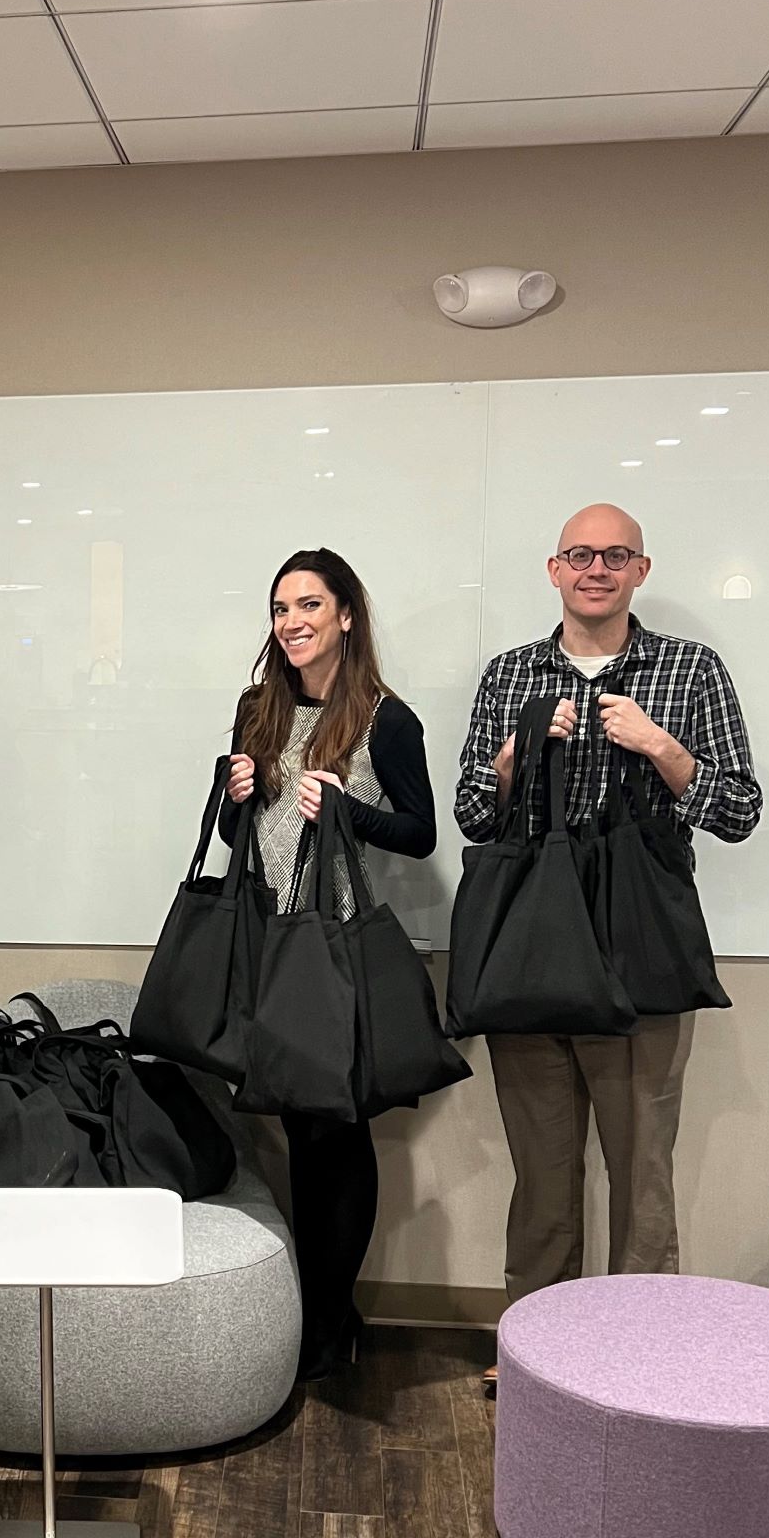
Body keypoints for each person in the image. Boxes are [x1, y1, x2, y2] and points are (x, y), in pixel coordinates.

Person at [456, 504, 761, 1380]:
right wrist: (514, 757)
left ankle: (638, 1360)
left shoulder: (688, 668)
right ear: (553, 570)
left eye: (614, 555)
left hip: (640, 954)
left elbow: (738, 812)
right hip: (531, 950)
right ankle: (535, 1357)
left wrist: (662, 748)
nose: (596, 568)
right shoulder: (511, 674)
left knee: (641, 1177)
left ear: (641, 569)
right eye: (580, 555)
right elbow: (473, 814)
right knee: (542, 1181)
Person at [224, 547, 439, 1380]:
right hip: (268, 939)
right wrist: (235, 793)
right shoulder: (258, 709)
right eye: (280, 609)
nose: (292, 623)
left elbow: (419, 834)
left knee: (336, 1130)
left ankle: (329, 1320)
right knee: (295, 1129)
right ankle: (319, 1312)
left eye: (308, 605)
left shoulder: (386, 719)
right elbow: (232, 839)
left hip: (337, 948)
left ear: (346, 615)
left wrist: (346, 809)